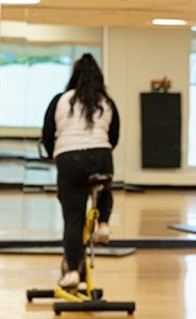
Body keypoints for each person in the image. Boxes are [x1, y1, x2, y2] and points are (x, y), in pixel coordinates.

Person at [40, 53, 120, 289]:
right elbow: (113, 137)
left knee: (73, 219)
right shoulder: (106, 102)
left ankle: (73, 271)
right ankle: (104, 223)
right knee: (105, 184)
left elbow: (47, 134)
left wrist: (57, 152)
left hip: (69, 158)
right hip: (100, 155)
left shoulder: (61, 100)